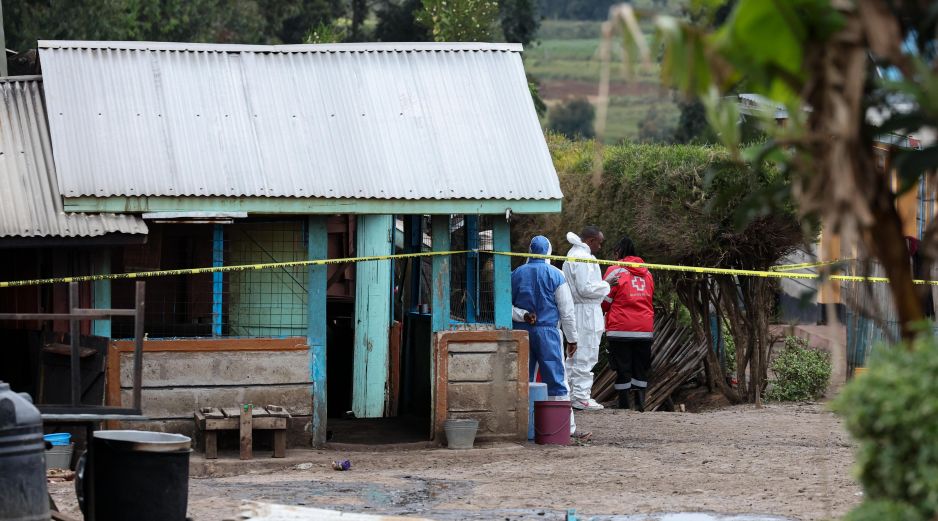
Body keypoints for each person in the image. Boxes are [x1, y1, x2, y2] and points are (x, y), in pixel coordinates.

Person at [512, 235, 582, 437]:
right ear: (549, 252)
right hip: (549, 333)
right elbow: (566, 311)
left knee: (522, 379)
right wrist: (572, 338)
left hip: (521, 332)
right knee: (557, 380)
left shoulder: (516, 274)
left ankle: (523, 428)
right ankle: (565, 429)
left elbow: (504, 306)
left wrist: (523, 315)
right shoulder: (556, 275)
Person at [601, 236, 654, 411]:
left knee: (622, 368)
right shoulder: (648, 273)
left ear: (618, 252)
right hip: (644, 329)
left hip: (620, 329)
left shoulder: (615, 270)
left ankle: (624, 405)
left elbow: (605, 299)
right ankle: (640, 404)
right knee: (640, 367)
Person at [562, 227, 611, 411]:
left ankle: (569, 394)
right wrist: (607, 285)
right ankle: (581, 397)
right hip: (586, 313)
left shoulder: (574, 255)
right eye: (599, 242)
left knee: (575, 356)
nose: (600, 246)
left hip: (582, 310)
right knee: (585, 354)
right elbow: (585, 288)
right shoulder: (582, 258)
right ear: (590, 240)